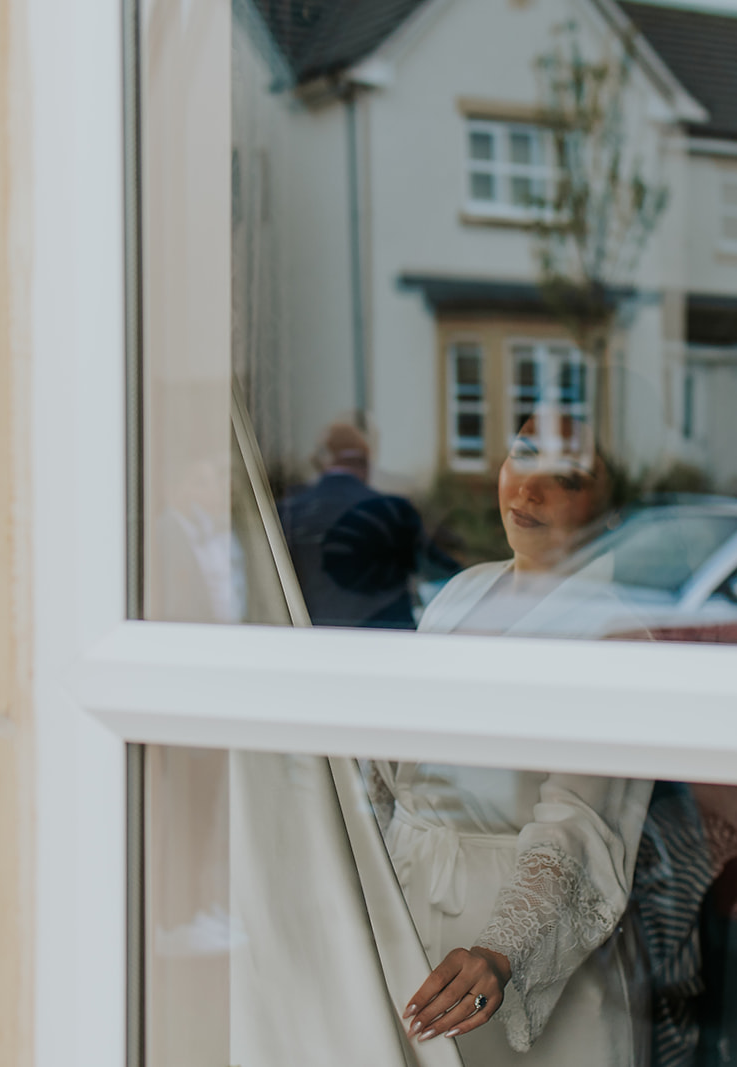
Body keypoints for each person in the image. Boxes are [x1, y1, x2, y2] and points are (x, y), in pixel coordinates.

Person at [372, 414, 655, 1066]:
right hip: (406, 925)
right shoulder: (461, 593)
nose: (527, 490)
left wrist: (500, 953)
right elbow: (389, 773)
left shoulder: (614, 638)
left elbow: (580, 826)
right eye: (522, 455)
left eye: (565, 477)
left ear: (613, 513)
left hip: (509, 966)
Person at [279, 421, 457, 628]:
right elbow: (440, 573)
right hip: (386, 642)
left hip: (308, 642)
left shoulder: (286, 513)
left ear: (323, 462)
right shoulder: (394, 511)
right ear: (366, 465)